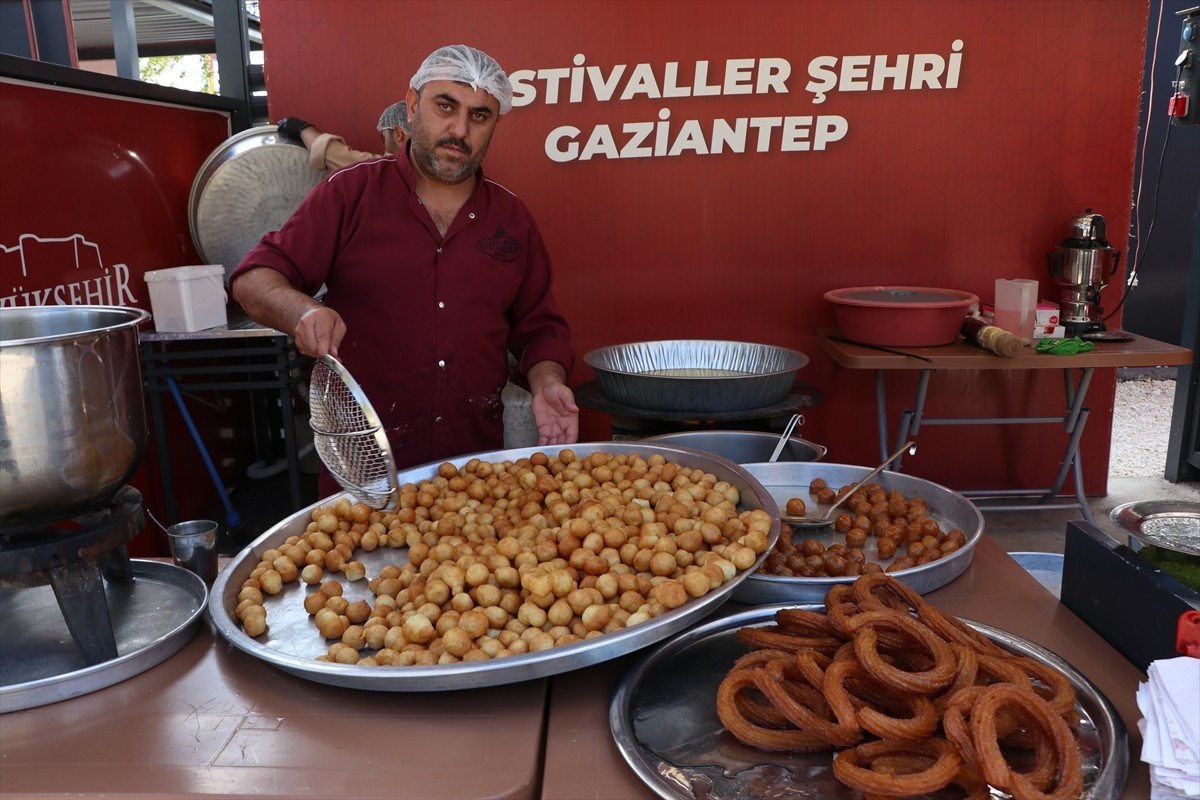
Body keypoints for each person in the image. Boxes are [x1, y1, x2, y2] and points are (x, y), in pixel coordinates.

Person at [231, 44, 579, 496]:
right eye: (445, 106)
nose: (459, 130)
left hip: (474, 482)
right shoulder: (350, 193)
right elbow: (254, 277)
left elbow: (541, 328)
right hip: (364, 476)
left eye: (479, 116)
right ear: (413, 106)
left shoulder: (511, 219)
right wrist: (302, 311)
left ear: (495, 124)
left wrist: (547, 381)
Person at [277, 101, 412, 171]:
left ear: (398, 134)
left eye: (384, 137)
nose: (383, 144)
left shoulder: (389, 169)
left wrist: (302, 128)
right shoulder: (423, 169)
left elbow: (331, 153)